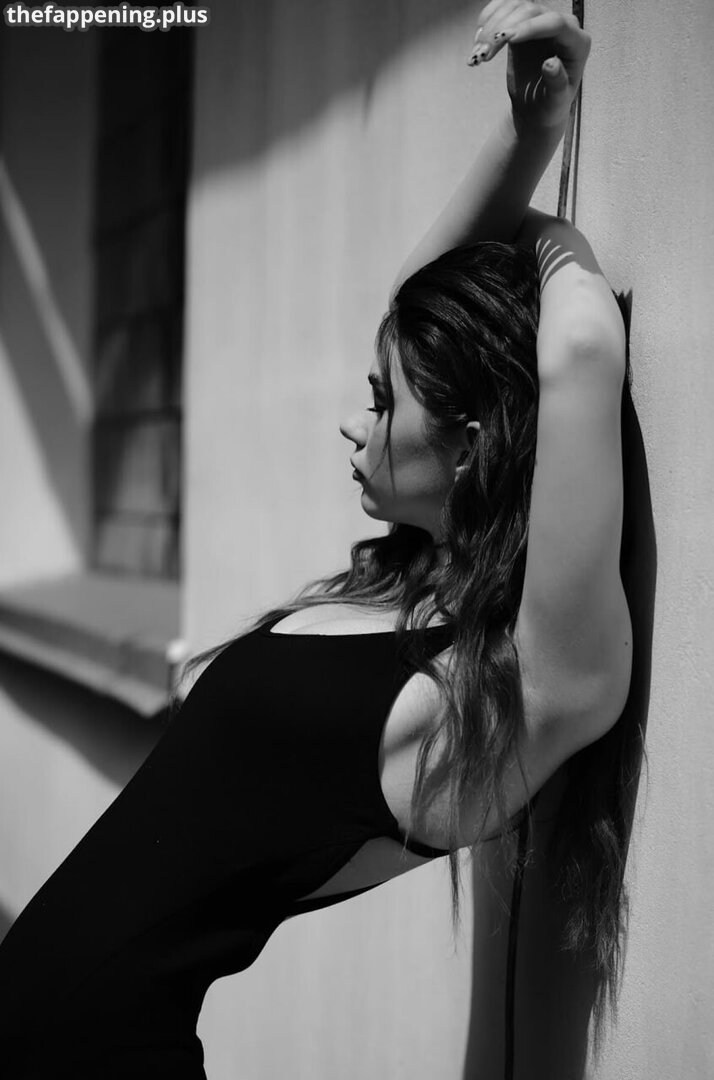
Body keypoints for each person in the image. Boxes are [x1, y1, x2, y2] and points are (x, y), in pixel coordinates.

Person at [0, 3, 634, 1076]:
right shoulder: (417, 580)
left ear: (474, 445)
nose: (353, 422)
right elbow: (421, 304)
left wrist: (559, 246)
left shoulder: (510, 689)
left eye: (383, 403)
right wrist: (532, 132)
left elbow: (576, 350)